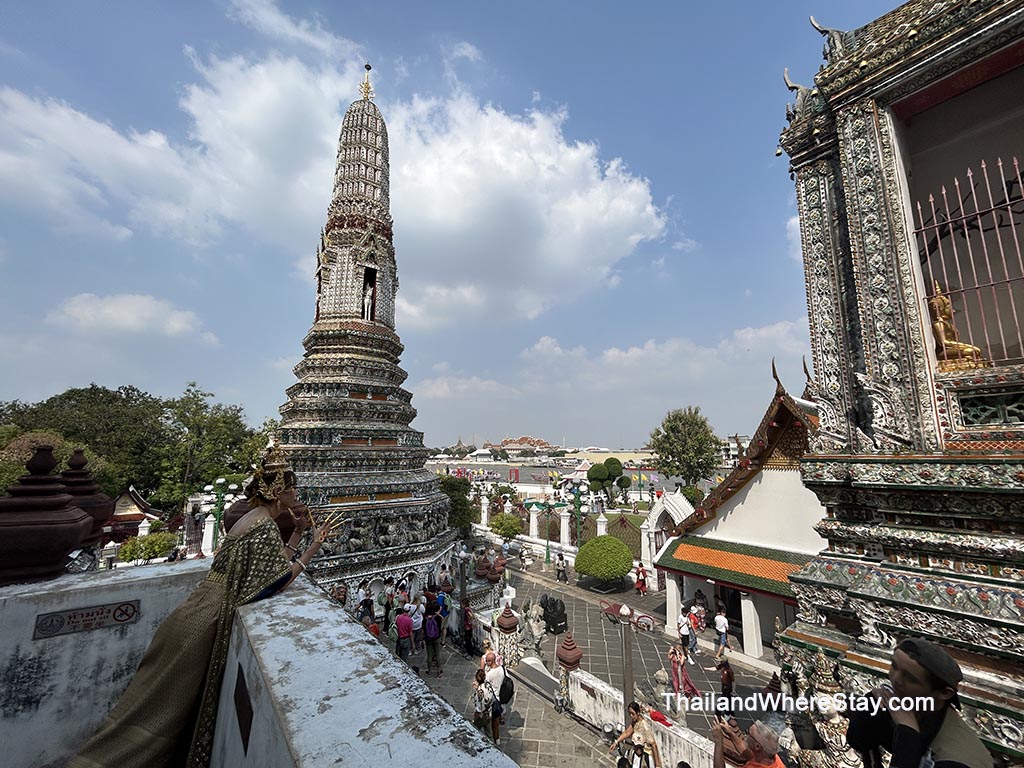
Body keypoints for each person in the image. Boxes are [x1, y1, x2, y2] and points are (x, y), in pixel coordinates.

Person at [69, 439, 336, 768]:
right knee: (166, 709)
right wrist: (313, 547)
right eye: (293, 491)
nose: (297, 497)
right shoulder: (264, 526)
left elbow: (268, 568)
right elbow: (275, 582)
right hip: (209, 618)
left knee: (151, 701)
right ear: (278, 491)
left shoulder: (251, 518)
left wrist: (296, 534)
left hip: (198, 608)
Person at [846, 638, 991, 768]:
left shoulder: (957, 758)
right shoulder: (902, 705)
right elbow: (859, 741)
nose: (895, 680)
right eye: (894, 666)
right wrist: (869, 703)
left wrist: (907, 733)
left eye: (910, 678)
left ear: (944, 693)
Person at [712, 718, 784, 768]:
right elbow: (747, 753)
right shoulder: (771, 757)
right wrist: (730, 732)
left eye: (749, 734)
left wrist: (718, 741)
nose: (745, 736)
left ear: (757, 746)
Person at [609, 701, 662, 768]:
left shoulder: (644, 726)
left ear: (638, 713)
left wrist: (657, 765)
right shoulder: (635, 721)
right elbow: (628, 732)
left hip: (645, 755)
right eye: (630, 714)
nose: (631, 716)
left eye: (633, 714)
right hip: (636, 750)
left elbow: (653, 744)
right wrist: (616, 742)